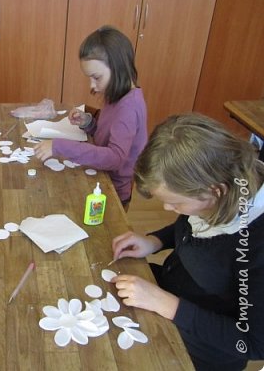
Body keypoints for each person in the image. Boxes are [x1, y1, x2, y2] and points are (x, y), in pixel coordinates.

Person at [111, 114, 264, 370]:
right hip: (171, 294)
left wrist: (167, 304)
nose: (169, 208)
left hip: (202, 352)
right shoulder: (217, 193)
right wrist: (155, 241)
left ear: (216, 190)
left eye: (177, 203)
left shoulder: (256, 244)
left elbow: (252, 342)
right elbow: (191, 227)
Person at [34, 25, 147, 206]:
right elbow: (106, 137)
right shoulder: (116, 95)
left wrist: (61, 147)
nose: (92, 86)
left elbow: (115, 157)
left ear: (118, 68)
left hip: (112, 192)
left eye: (96, 77)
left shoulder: (129, 108)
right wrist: (89, 123)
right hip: (98, 177)